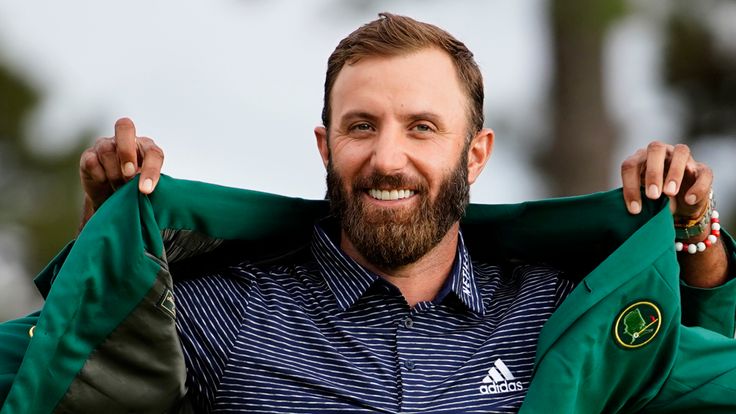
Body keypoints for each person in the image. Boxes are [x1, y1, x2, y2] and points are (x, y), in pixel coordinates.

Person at [2, 13, 735, 413]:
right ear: (325, 145)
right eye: (361, 127)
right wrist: (108, 239)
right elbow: (70, 370)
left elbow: (704, 375)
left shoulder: (558, 312)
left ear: (474, 154)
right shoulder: (222, 315)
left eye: (421, 127)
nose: (387, 158)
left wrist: (689, 231)